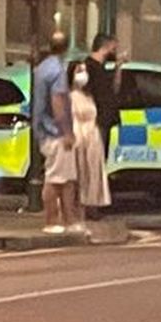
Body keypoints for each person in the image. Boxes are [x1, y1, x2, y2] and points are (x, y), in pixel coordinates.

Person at [32, 30, 80, 234]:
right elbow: (58, 102)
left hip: (45, 130)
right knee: (55, 179)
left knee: (66, 179)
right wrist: (67, 131)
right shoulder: (57, 71)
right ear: (67, 47)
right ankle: (52, 220)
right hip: (55, 133)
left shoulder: (42, 68)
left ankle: (69, 220)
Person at [70, 59, 111, 219]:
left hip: (92, 135)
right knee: (79, 171)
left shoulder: (88, 95)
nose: (83, 74)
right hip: (78, 135)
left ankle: (92, 204)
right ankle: (76, 205)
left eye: (84, 71)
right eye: (79, 71)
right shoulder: (69, 96)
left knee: (93, 171)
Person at [82, 32, 122, 147]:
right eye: (113, 49)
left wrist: (118, 68)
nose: (114, 53)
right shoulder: (88, 68)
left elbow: (114, 89)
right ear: (105, 47)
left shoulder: (103, 69)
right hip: (95, 123)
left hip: (104, 122)